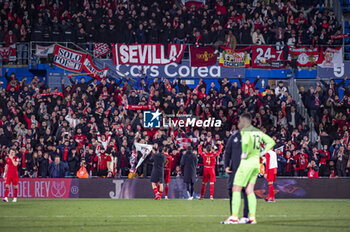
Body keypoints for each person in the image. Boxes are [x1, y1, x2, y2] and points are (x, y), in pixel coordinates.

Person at [224, 113, 275, 224]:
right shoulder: (257, 131)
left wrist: (245, 153)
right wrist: (262, 153)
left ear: (244, 121)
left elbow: (246, 143)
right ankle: (252, 218)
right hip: (256, 163)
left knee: (236, 189)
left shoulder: (245, 132)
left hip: (246, 163)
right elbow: (271, 142)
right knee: (249, 190)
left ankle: (234, 217)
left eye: (240, 121)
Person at [221, 128, 249, 224]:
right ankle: (234, 216)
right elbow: (227, 152)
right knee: (231, 191)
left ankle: (245, 216)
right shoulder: (233, 137)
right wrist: (226, 166)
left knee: (246, 192)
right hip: (234, 170)